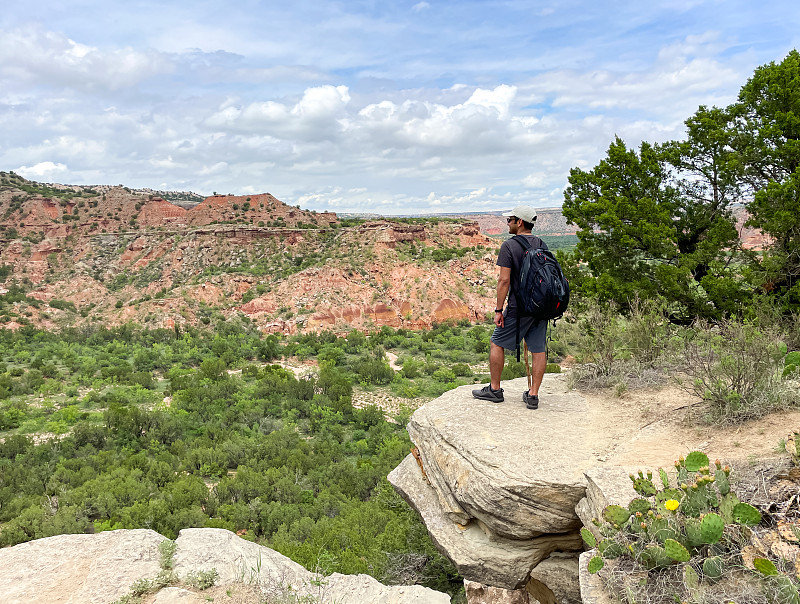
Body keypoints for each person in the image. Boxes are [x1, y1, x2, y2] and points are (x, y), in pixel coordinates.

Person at [472, 205, 548, 409]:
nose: (507, 223)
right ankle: (533, 395)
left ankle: (495, 390)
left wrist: (499, 310)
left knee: (496, 342)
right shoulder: (541, 243)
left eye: (510, 219)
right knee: (538, 350)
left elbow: (504, 281)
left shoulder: (509, 246)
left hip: (519, 307)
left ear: (520, 222)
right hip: (541, 306)